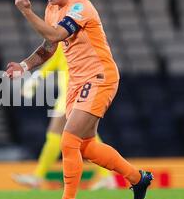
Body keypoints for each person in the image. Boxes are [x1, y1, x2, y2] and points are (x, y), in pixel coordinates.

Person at [5, 0, 153, 199]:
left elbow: (56, 36)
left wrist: (27, 11)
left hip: (99, 76)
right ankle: (137, 178)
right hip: (77, 81)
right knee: (84, 146)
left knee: (68, 139)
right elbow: (48, 49)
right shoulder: (52, 10)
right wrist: (24, 66)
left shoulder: (80, 7)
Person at [11, 43, 117, 190]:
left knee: (57, 134)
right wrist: (37, 78)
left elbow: (52, 58)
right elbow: (55, 60)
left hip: (72, 93)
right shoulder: (67, 39)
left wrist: (35, 78)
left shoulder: (67, 39)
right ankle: (108, 177)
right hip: (72, 94)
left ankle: (38, 177)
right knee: (84, 137)